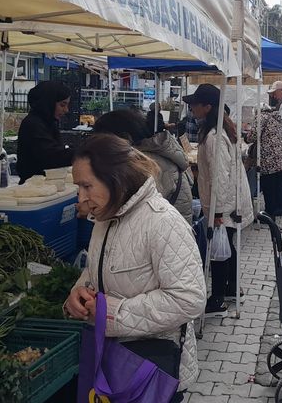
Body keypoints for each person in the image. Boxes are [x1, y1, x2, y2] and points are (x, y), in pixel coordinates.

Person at [64, 134, 205, 403]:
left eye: (87, 186)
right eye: (78, 187)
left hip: (152, 369)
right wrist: (80, 292)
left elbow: (189, 299)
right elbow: (98, 270)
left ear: (114, 178)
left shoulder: (162, 222)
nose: (80, 197)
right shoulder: (104, 219)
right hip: (113, 364)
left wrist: (113, 313)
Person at [185, 84, 254, 315]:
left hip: (224, 203)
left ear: (207, 106)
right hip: (229, 201)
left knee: (219, 250)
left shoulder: (215, 136)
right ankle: (231, 288)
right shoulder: (222, 129)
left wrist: (217, 211)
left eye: (195, 104)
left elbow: (220, 176)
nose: (192, 108)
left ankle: (217, 299)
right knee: (227, 245)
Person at [93, 108, 194, 221]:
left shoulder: (144, 164)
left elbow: (131, 210)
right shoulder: (152, 155)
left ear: (124, 139)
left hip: (163, 229)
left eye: (103, 143)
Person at [16, 80, 73, 183]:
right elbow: (51, 156)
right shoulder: (33, 124)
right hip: (33, 185)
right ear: (48, 103)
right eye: (62, 105)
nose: (66, 110)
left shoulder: (49, 122)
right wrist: (82, 153)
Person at [246, 107, 282, 219]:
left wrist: (246, 137)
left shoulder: (261, 118)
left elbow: (252, 136)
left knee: (269, 188)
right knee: (278, 186)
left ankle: (269, 214)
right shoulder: (277, 118)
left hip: (269, 159)